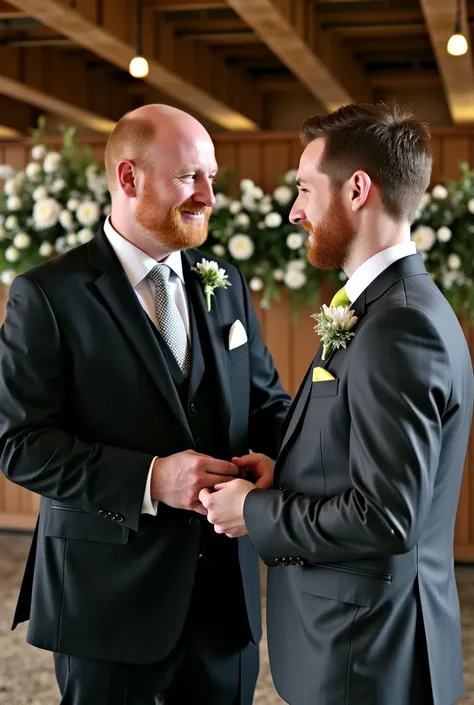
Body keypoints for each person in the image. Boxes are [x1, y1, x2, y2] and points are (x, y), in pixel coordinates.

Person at [0, 104, 291, 705]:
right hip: (105, 602)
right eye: (190, 177)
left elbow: (267, 406)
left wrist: (302, 458)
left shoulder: (226, 282)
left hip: (223, 606)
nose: (209, 196)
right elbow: (20, 443)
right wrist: (153, 479)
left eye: (211, 177)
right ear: (129, 179)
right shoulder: (48, 294)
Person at [201, 102, 474, 705]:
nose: (295, 210)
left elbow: (387, 516)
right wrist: (286, 475)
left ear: (357, 189)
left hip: (366, 655)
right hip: (365, 645)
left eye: (304, 189)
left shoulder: (398, 325)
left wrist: (259, 511)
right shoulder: (393, 307)